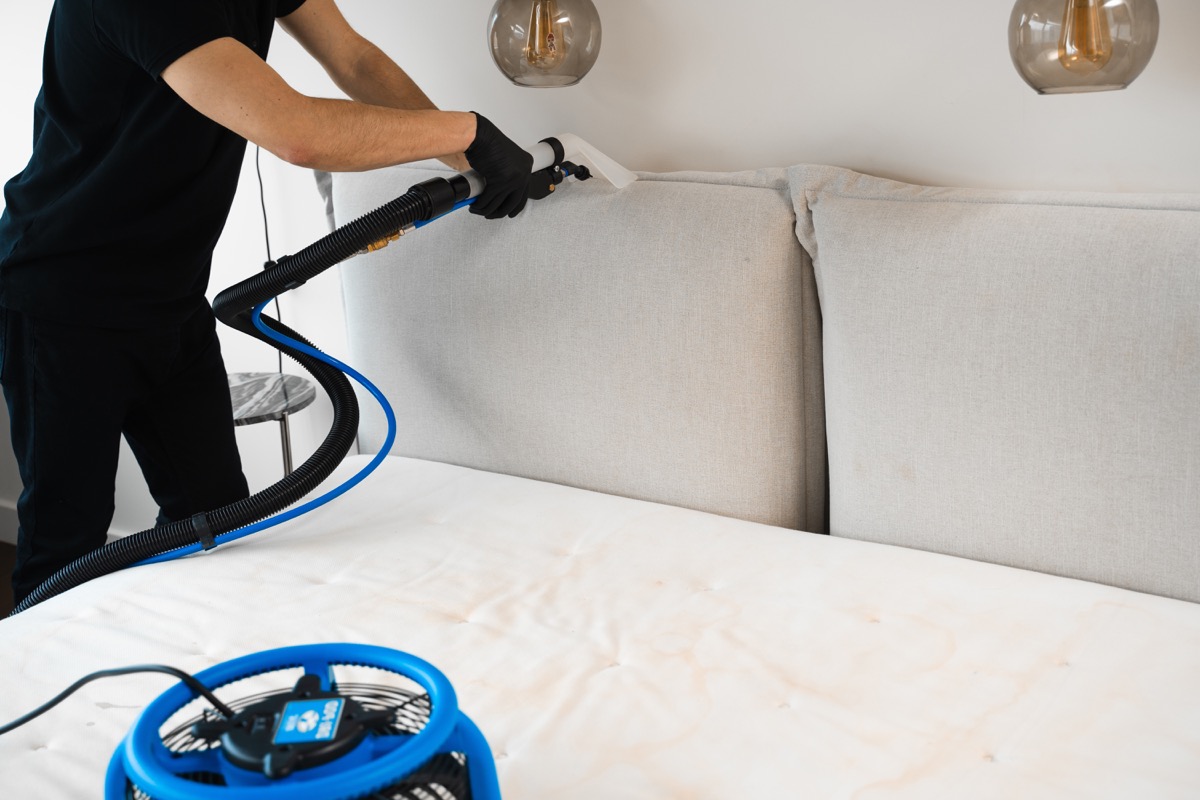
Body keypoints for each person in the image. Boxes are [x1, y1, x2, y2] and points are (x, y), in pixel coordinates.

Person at [0, 0, 534, 606]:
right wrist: (469, 132)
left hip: (172, 297)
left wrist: (472, 160)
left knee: (217, 518)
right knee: (65, 553)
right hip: (63, 304)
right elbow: (297, 132)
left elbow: (354, 58)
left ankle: (199, 656)